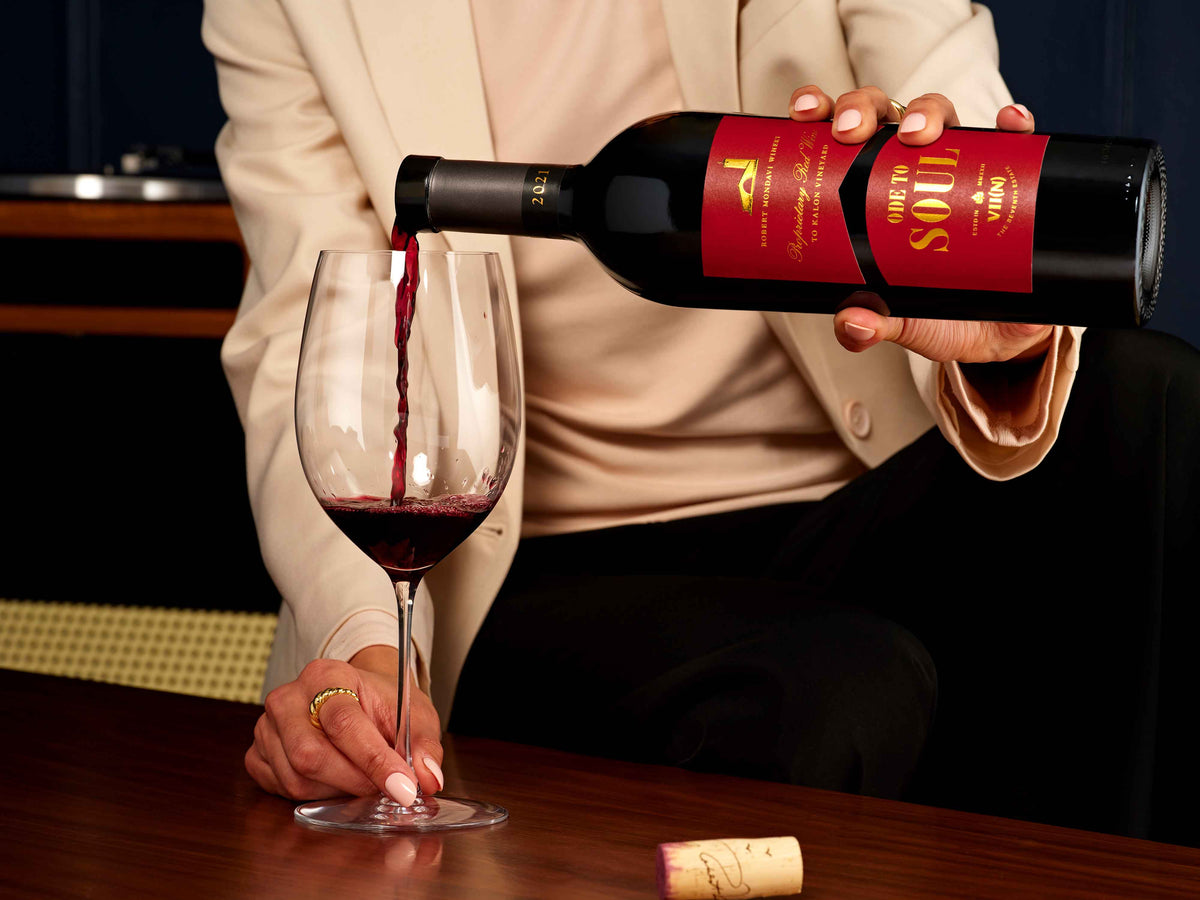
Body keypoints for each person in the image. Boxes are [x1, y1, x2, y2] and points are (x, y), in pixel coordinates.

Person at [203, 0, 1199, 844]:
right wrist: (374, 653)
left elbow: (952, 101)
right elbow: (309, 337)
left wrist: (999, 308)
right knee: (832, 685)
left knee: (1147, 395)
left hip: (852, 503)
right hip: (529, 569)